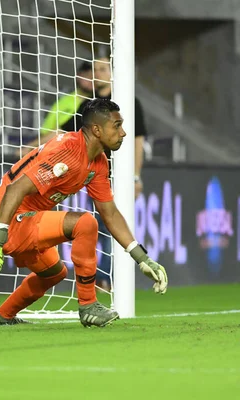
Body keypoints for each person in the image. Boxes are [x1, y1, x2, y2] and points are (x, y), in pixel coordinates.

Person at [0, 98, 168, 327]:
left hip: (28, 218)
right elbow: (15, 188)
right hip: (6, 219)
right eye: (117, 126)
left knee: (54, 273)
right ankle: (88, 305)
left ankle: (1, 316)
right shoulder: (67, 150)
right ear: (97, 130)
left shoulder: (98, 163)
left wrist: (142, 258)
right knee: (85, 223)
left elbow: (110, 213)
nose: (124, 133)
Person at [92, 57, 148, 290]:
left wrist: (135, 176)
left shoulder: (128, 102)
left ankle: (105, 280)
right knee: (99, 230)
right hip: (95, 177)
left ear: (114, 73)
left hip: (120, 177)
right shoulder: (91, 105)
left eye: (103, 69)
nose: (98, 73)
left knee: (109, 229)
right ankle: (105, 280)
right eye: (95, 69)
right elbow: (67, 131)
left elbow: (137, 140)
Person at [23, 61, 94, 152]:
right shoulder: (63, 102)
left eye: (94, 76)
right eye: (87, 75)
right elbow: (47, 130)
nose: (92, 79)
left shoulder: (100, 102)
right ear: (79, 76)